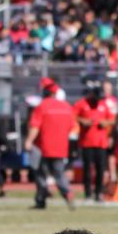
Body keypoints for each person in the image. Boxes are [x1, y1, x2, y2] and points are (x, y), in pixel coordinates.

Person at [27, 78, 76, 210]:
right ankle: (67, 194)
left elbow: (35, 126)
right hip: (61, 147)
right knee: (59, 174)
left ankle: (41, 198)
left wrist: (29, 141)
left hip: (43, 146)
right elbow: (72, 127)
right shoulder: (66, 106)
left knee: (39, 173)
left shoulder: (41, 106)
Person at [73, 83, 114, 204]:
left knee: (100, 169)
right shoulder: (82, 103)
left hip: (101, 142)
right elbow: (73, 115)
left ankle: (99, 193)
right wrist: (83, 121)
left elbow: (112, 119)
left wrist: (105, 123)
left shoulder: (104, 104)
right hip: (87, 142)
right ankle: (88, 194)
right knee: (87, 169)